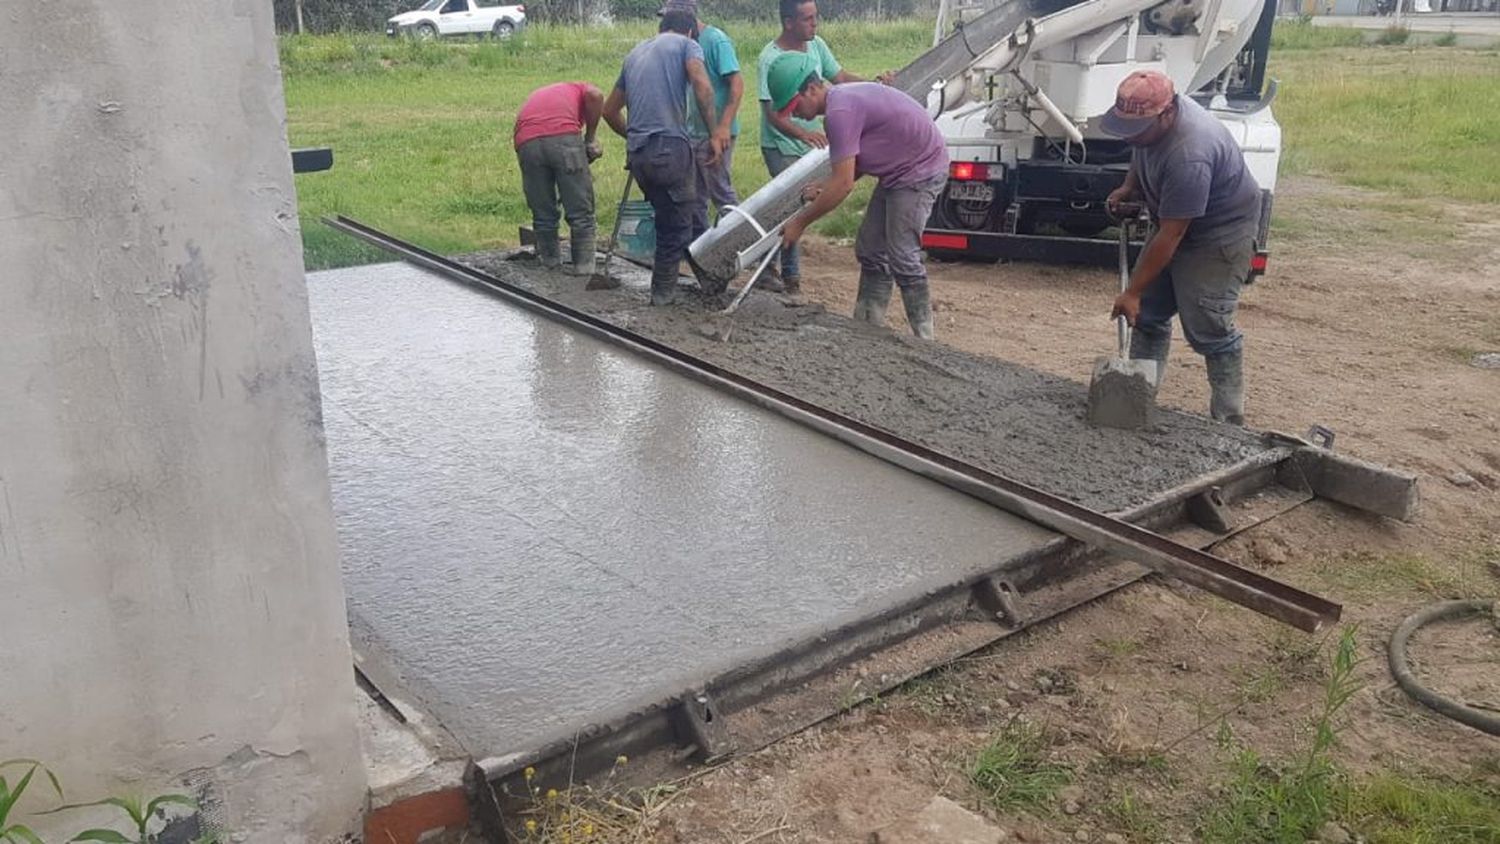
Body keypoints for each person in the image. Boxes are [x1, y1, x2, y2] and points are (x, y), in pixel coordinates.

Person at [1101, 69, 1262, 425]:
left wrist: (1132, 291)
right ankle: (1137, 401)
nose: (1133, 137)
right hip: (1176, 221)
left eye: (1137, 129)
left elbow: (1172, 235)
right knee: (1147, 314)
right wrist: (1131, 187)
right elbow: (1141, 149)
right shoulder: (1151, 125)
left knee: (1210, 327)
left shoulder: (1191, 152)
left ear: (1167, 114)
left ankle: (1229, 419)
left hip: (1218, 235)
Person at [769, 53, 948, 339]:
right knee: (870, 248)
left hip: (920, 170)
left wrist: (800, 223)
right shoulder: (840, 104)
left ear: (813, 89)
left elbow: (843, 186)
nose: (795, 114)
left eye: (795, 105)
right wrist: (825, 186)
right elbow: (856, 163)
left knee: (902, 254)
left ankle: (924, 337)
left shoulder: (840, 112)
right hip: (899, 167)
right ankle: (867, 325)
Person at [756, 0, 881, 294]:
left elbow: (840, 78)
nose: (815, 24)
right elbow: (770, 110)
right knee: (789, 207)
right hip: (782, 144)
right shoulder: (770, 58)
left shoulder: (817, 46)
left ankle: (780, 268)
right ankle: (784, 273)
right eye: (807, 19)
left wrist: (873, 86)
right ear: (789, 23)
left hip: (816, 143)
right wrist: (800, 133)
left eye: (815, 17)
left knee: (805, 201)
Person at [602, 9, 720, 306]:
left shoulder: (635, 53)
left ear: (661, 28)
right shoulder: (687, 45)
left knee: (676, 215)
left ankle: (709, 279)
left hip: (639, 155)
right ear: (691, 31)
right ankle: (663, 296)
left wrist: (634, 136)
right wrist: (716, 133)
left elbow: (609, 111)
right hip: (670, 148)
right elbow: (703, 86)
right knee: (677, 226)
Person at [662, 0, 744, 245]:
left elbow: (737, 84)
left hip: (715, 133)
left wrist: (722, 127)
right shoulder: (678, 45)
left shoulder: (715, 40)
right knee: (694, 198)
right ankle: (704, 252)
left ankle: (753, 254)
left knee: (722, 195)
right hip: (690, 133)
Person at [513, 81, 605, 276]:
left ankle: (549, 262)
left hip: (526, 143)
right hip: (564, 137)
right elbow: (596, 95)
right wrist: (590, 138)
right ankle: (584, 268)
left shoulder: (545, 93)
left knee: (543, 209)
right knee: (581, 210)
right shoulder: (582, 88)